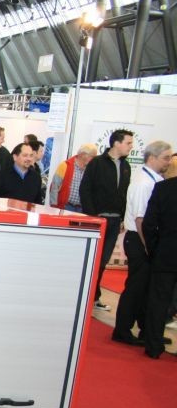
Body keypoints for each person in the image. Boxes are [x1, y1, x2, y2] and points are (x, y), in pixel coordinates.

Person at [113, 140, 173, 346]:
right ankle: (122, 330)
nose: (168, 162)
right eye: (165, 158)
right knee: (136, 288)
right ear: (152, 157)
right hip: (139, 241)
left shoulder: (154, 179)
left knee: (146, 289)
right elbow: (141, 219)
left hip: (144, 240)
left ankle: (146, 330)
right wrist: (149, 248)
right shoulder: (143, 183)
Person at [81, 129, 134, 310]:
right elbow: (85, 189)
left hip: (115, 220)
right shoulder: (97, 163)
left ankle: (94, 297)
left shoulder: (126, 166)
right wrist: (92, 216)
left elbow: (125, 193)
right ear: (116, 143)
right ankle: (86, 297)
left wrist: (123, 217)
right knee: (93, 260)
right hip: (98, 219)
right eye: (128, 143)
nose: (131, 147)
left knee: (103, 261)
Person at [141, 175, 177, 358]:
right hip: (165, 253)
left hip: (165, 253)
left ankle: (153, 346)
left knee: (158, 301)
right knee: (159, 301)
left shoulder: (164, 188)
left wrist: (154, 248)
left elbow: (149, 223)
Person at [48, 143, 98, 212]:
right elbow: (54, 187)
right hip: (65, 207)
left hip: (82, 209)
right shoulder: (65, 165)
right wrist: (54, 206)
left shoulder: (91, 170)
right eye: (92, 157)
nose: (94, 160)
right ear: (83, 154)